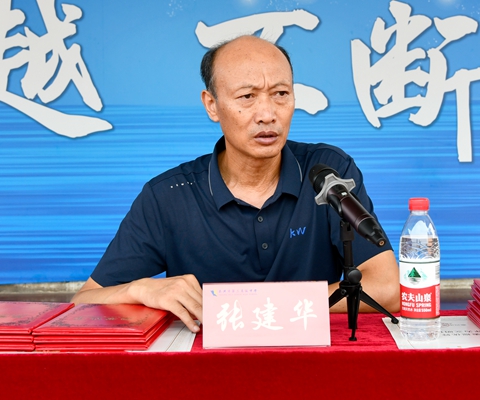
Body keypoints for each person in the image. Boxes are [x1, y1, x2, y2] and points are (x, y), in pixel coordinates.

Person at [72, 35, 400, 333]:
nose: (267, 114)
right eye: (247, 96)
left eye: (281, 94)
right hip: (207, 368)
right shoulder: (169, 196)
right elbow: (83, 302)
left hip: (310, 360)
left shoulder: (326, 173)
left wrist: (244, 308)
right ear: (212, 105)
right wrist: (139, 289)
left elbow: (386, 289)